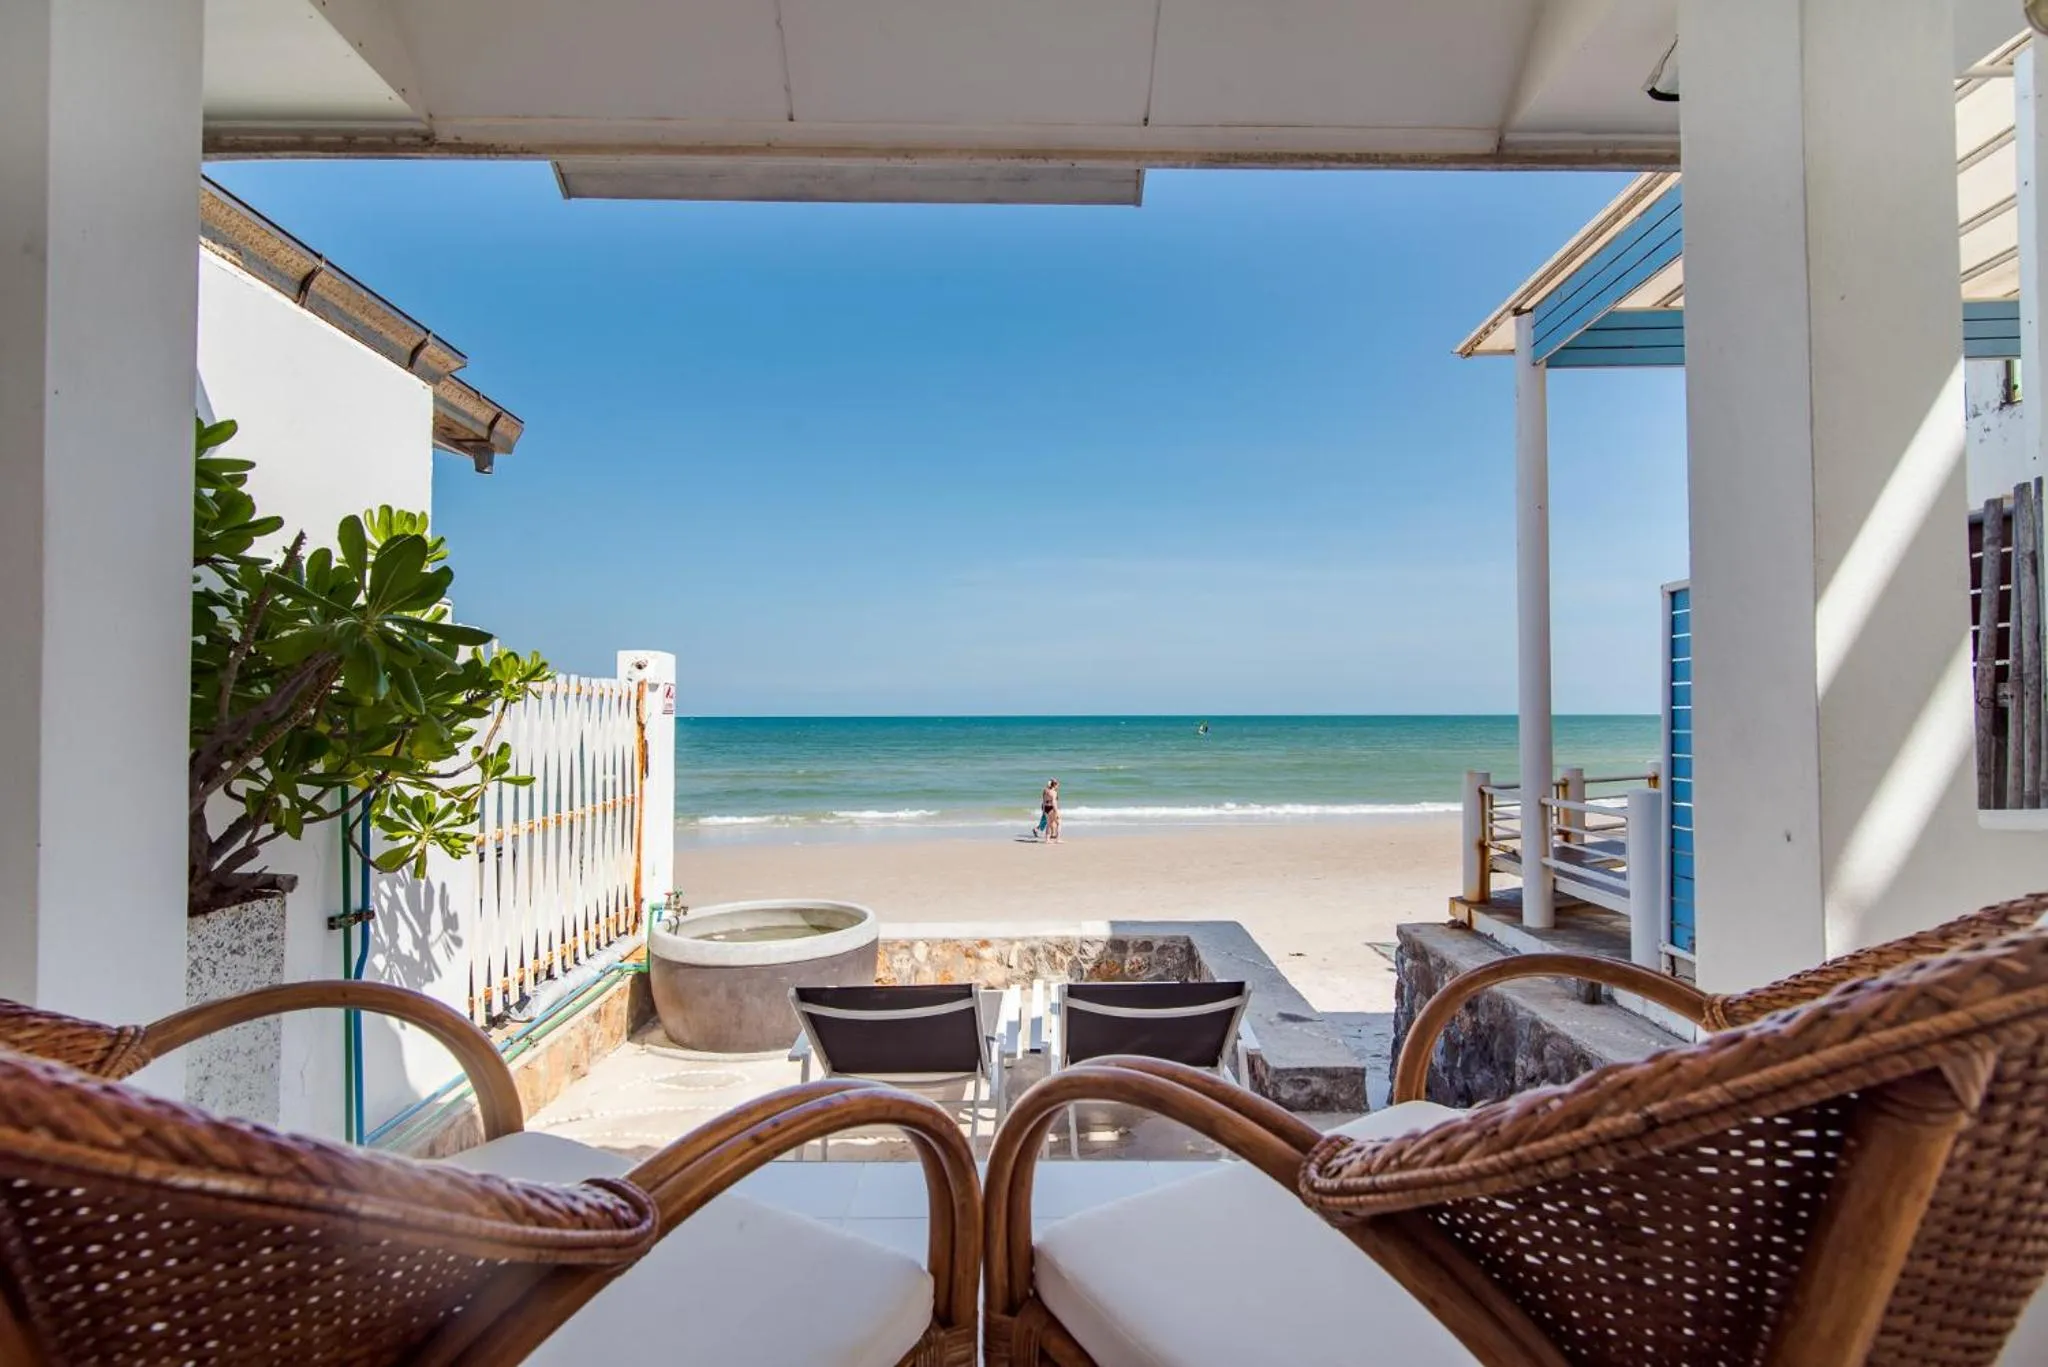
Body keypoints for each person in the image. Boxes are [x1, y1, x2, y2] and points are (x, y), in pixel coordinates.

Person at [1040, 778, 1061, 843]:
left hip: (1046, 808)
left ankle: (1047, 839)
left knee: (1048, 824)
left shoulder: (1045, 791)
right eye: (1057, 785)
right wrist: (1056, 812)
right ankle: (1058, 839)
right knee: (1059, 823)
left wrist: (1043, 811)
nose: (1058, 786)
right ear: (1054, 785)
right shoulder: (1054, 792)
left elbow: (1043, 801)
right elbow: (1054, 803)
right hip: (1052, 808)